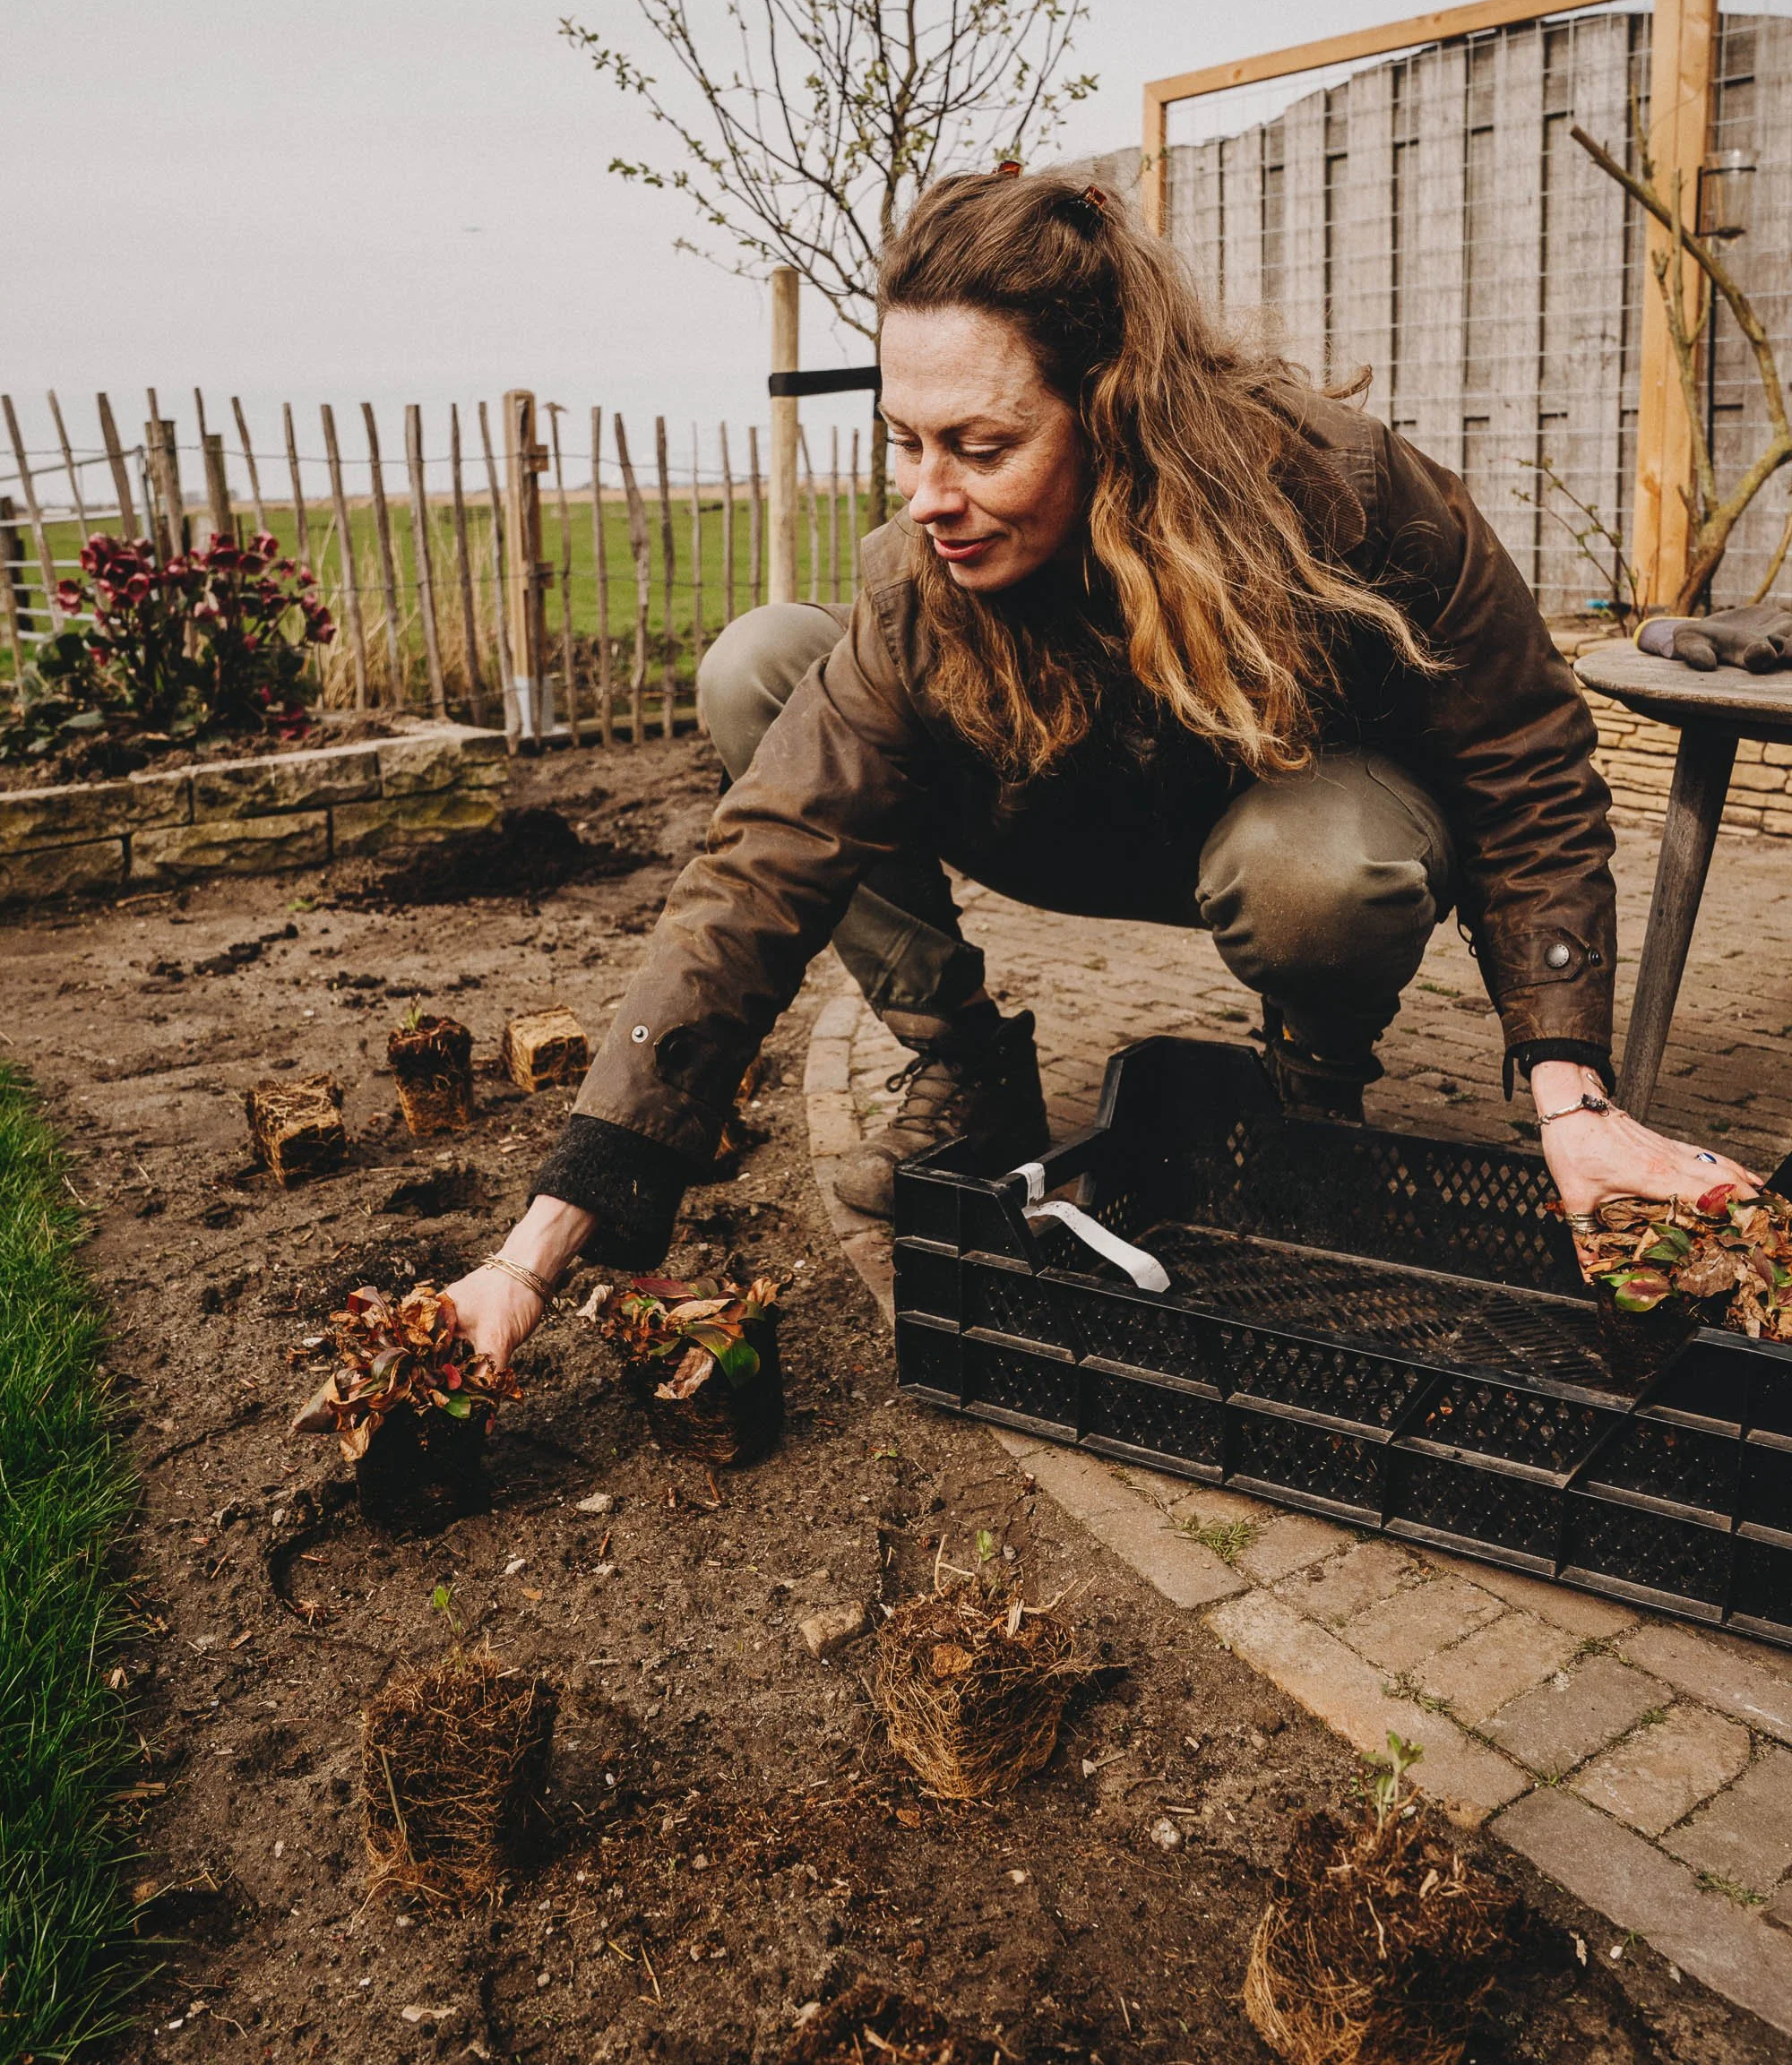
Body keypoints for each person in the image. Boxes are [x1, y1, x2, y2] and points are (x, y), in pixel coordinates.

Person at [445, 168, 1758, 1364]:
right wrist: (536, 1249)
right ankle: (967, 1068)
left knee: (1318, 869)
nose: (928, 495)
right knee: (761, 665)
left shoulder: (1337, 491)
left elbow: (1521, 757)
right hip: (1056, 819)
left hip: (1283, 840)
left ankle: (1314, 1077)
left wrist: (1573, 1100)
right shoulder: (922, 581)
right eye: (905, 441)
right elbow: (761, 866)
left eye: (982, 447)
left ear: (1114, 409)